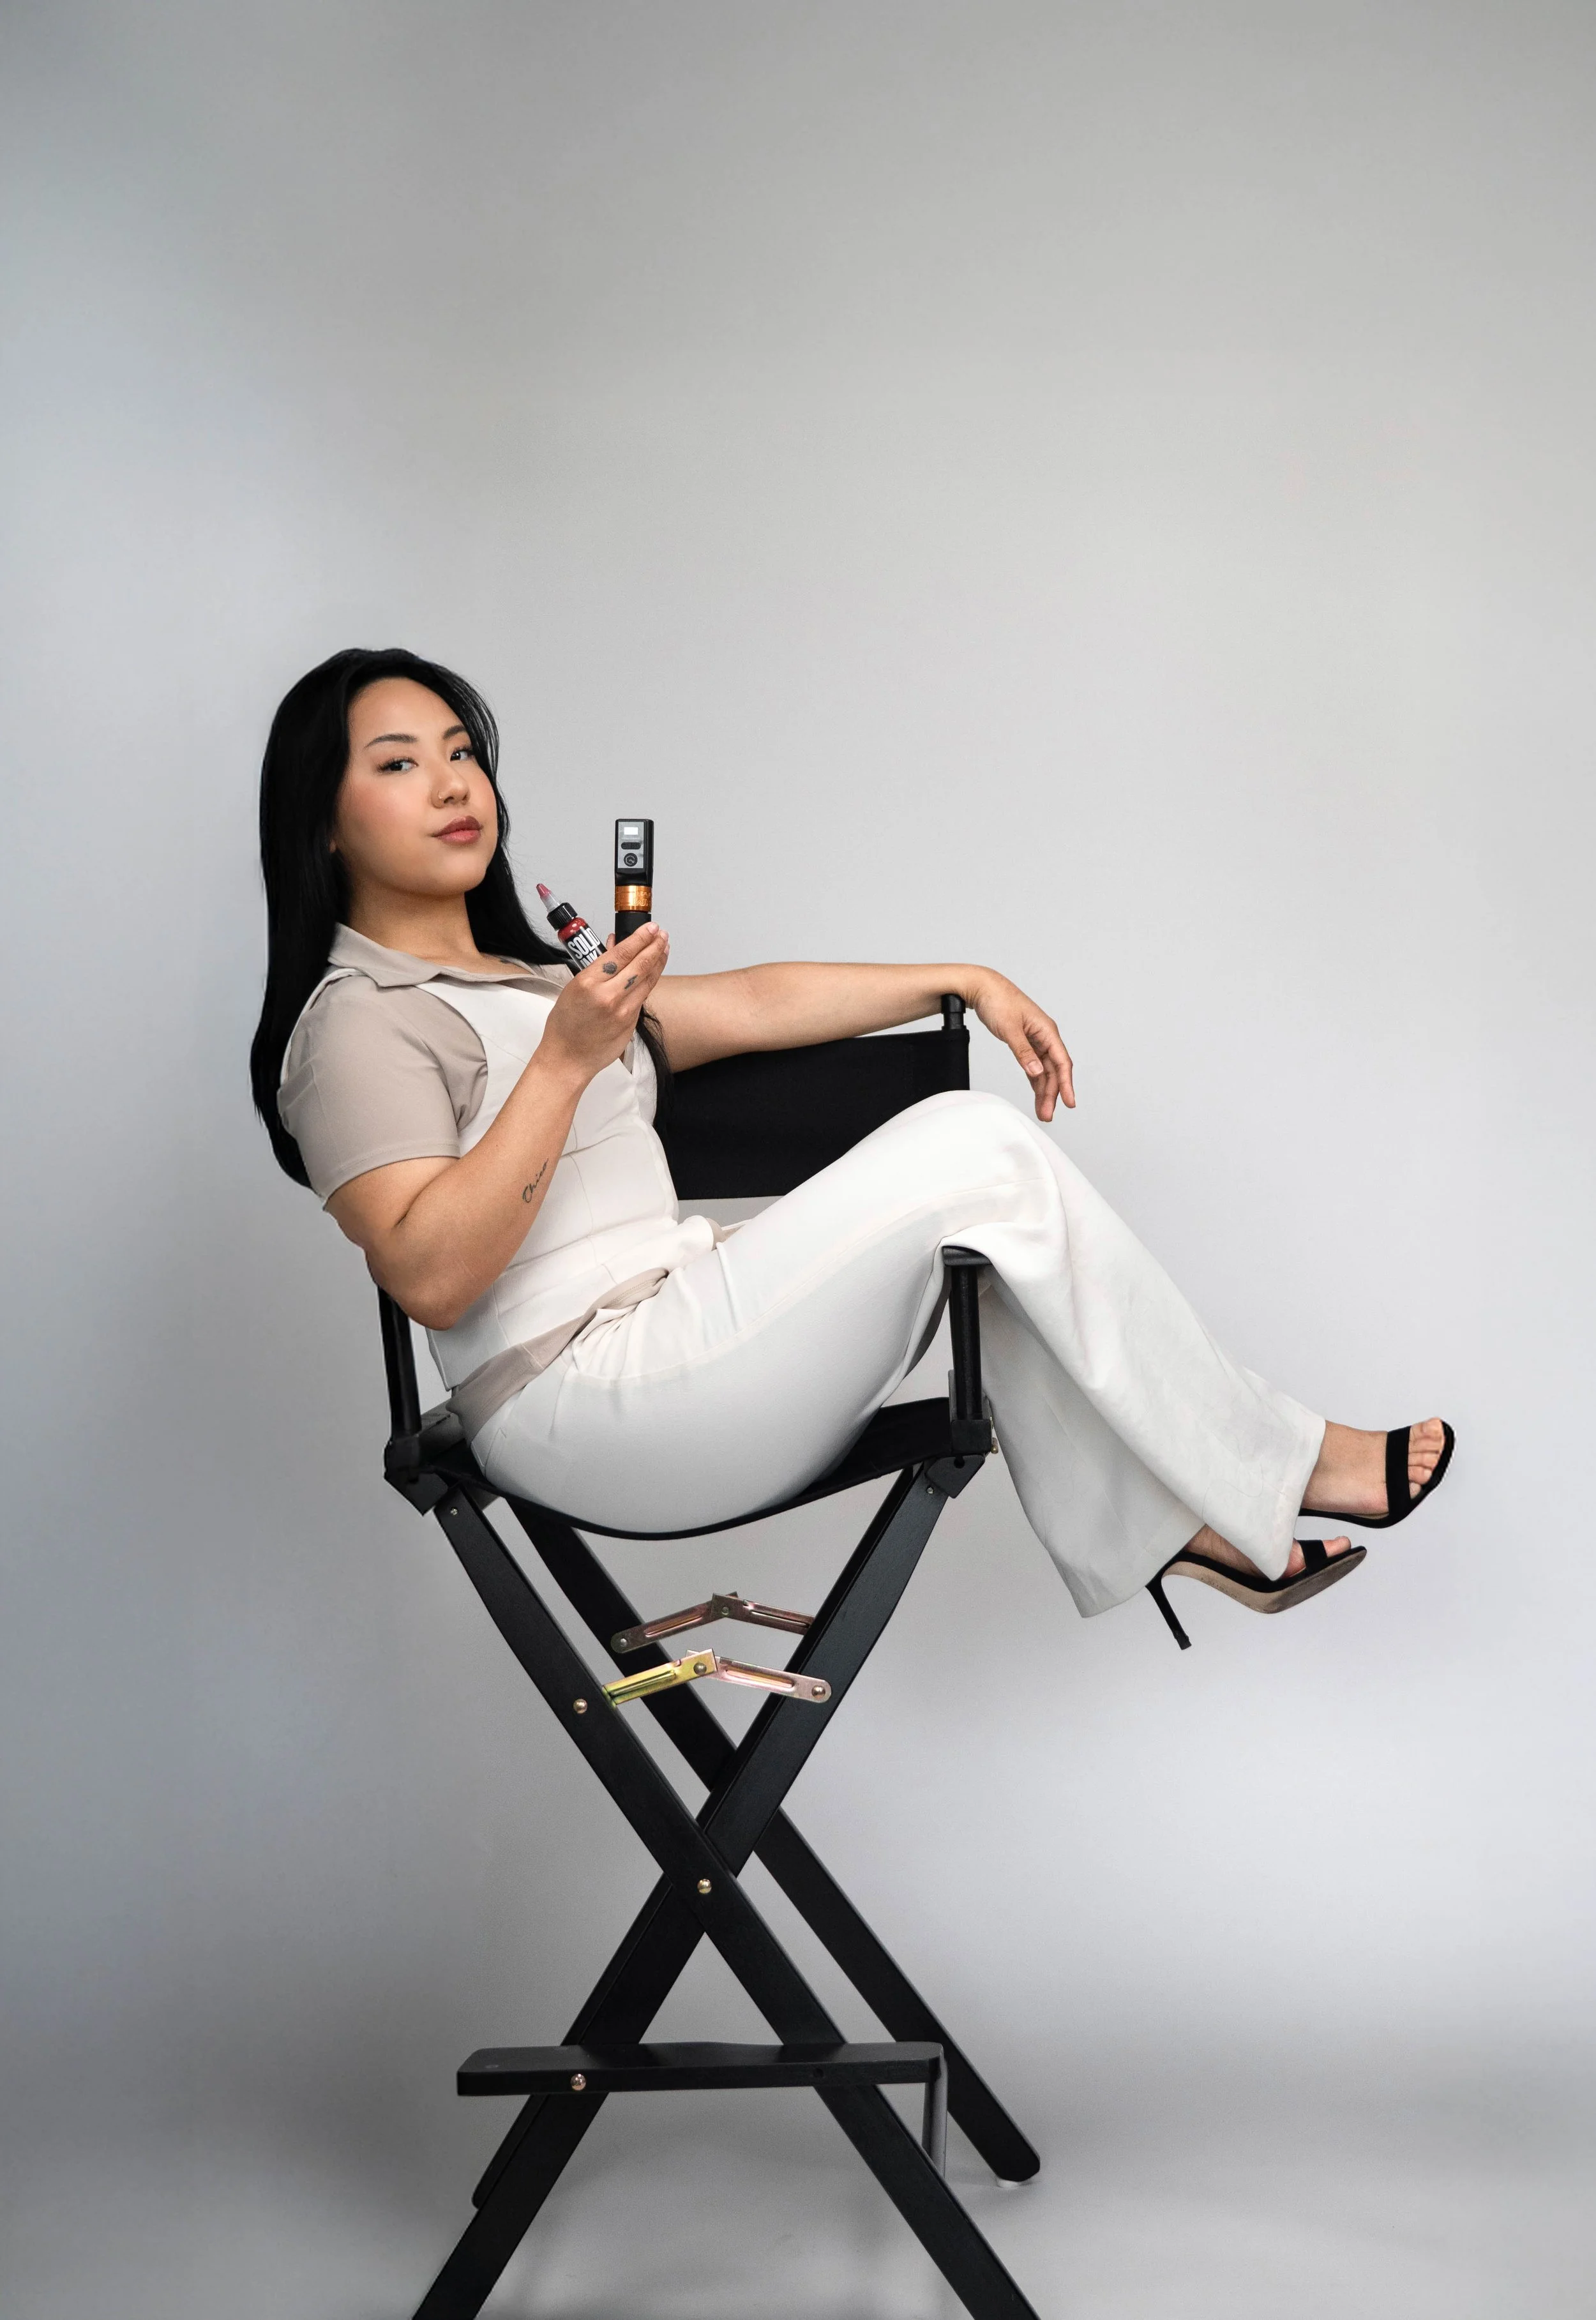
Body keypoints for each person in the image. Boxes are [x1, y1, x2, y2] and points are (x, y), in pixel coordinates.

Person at [251, 647, 1453, 1636]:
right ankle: (1276, 1463)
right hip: (582, 1402)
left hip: (680, 1336)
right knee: (978, 1151)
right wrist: (569, 1059)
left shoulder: (530, 977)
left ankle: (1166, 1521)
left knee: (982, 1220)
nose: (453, 783)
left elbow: (757, 1004)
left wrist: (963, 975)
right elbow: (430, 1274)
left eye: (463, 753)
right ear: (326, 826)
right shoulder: (356, 1023)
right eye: (400, 764)